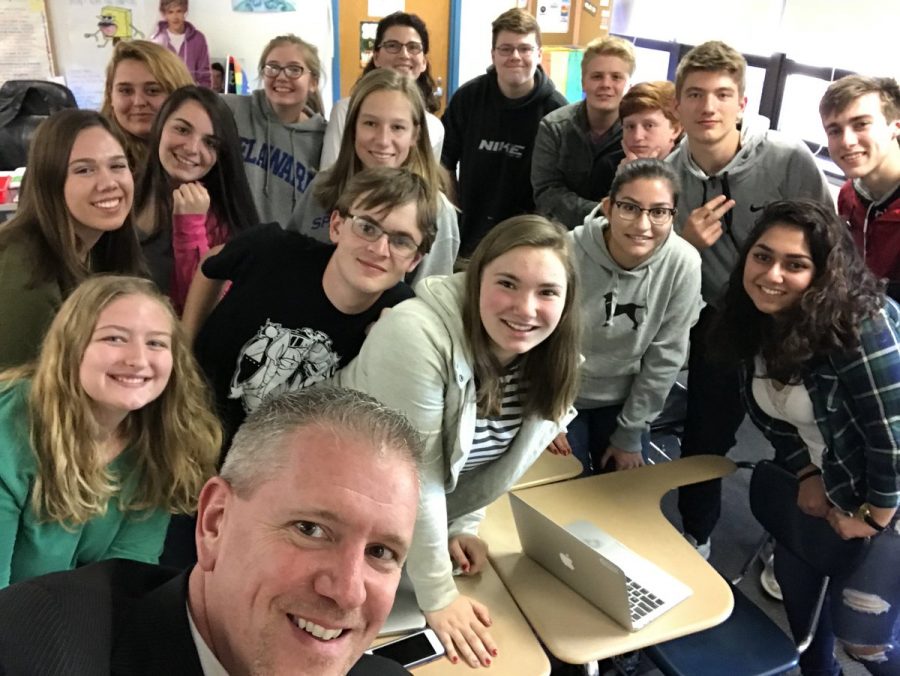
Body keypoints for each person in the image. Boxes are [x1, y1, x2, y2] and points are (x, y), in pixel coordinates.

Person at [0, 386, 420, 676]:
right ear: (215, 521)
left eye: (381, 552)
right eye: (311, 529)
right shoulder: (30, 646)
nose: (348, 591)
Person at [335, 215, 581, 666]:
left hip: (399, 522)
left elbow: (484, 460)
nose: (526, 309)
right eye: (507, 283)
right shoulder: (417, 333)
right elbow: (419, 473)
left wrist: (461, 525)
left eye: (547, 292)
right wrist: (440, 596)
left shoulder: (546, 360)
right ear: (476, 278)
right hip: (337, 500)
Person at [710, 199, 900, 675]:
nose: (772, 274)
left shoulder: (859, 323)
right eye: (762, 256)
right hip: (830, 485)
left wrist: (874, 517)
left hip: (888, 502)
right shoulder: (756, 319)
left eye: (795, 264)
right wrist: (806, 470)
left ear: (822, 273)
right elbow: (774, 419)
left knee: (866, 642)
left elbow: (894, 436)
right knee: (803, 615)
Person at [667, 41, 832, 558]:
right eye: (694, 94)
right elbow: (661, 265)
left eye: (721, 94)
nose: (707, 107)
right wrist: (684, 244)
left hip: (793, 320)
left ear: (742, 103)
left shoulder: (786, 158)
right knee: (704, 435)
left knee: (805, 438)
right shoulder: (667, 176)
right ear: (678, 105)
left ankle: (791, 551)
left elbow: (829, 244)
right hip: (722, 321)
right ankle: (698, 533)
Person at [0, 275, 220, 588]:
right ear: (72, 347)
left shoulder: (164, 441)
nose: (138, 359)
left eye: (156, 343)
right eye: (114, 339)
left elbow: (122, 582)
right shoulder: (9, 426)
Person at [188, 166, 432, 447]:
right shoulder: (272, 250)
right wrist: (184, 345)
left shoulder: (402, 319)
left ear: (414, 260)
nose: (379, 249)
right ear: (337, 226)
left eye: (401, 241)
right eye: (367, 227)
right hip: (191, 423)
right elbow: (212, 264)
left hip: (268, 465)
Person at [550, 160, 701, 474]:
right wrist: (549, 415)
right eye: (630, 208)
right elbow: (540, 339)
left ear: (673, 214)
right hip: (560, 394)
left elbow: (666, 356)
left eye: (659, 211)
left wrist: (631, 432)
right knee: (560, 487)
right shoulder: (566, 252)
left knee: (623, 490)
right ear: (607, 207)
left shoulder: (683, 263)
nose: (643, 225)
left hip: (626, 398)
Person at [0, 109, 145, 369]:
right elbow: (17, 393)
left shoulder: (100, 248)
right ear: (49, 181)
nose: (109, 182)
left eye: (117, 166)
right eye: (85, 170)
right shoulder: (24, 266)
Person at [290, 68, 458, 283]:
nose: (383, 140)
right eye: (370, 123)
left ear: (415, 135)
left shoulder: (436, 210)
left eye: (397, 127)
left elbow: (429, 301)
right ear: (353, 128)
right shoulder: (322, 187)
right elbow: (292, 261)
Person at [441, 8, 567, 255]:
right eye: (506, 49)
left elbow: (558, 190)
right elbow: (443, 160)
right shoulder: (468, 98)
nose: (515, 56)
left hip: (527, 244)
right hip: (468, 238)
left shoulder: (557, 113)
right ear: (493, 54)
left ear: (539, 54)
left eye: (525, 48)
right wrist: (453, 210)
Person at [133, 85, 259, 314]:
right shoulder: (124, 193)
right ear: (160, 126)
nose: (192, 148)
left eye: (210, 143)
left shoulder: (225, 221)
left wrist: (190, 226)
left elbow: (207, 314)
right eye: (182, 130)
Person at [532, 36, 635, 227]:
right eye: (597, 76)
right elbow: (546, 194)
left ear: (629, 85)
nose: (606, 84)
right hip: (560, 233)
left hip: (619, 236)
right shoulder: (554, 127)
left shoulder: (640, 134)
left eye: (616, 77)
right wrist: (602, 211)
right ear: (583, 82)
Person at [224, 34, 326, 227]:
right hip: (235, 247)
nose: (281, 76)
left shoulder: (324, 138)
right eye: (272, 67)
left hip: (289, 250)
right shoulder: (233, 110)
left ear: (313, 82)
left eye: (294, 69)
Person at [321, 11, 444, 170]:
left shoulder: (434, 127)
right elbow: (329, 180)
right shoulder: (345, 111)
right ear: (376, 57)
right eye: (392, 45)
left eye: (413, 47)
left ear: (424, 62)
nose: (404, 54)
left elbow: (427, 185)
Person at [819, 75, 900, 301]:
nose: (847, 141)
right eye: (834, 130)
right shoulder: (848, 195)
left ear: (895, 127)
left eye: (861, 124)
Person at [100, 39, 194, 169]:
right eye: (126, 91)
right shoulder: (95, 157)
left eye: (153, 91)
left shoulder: (204, 154)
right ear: (110, 96)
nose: (138, 102)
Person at [150, 0, 211, 88]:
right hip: (166, 97)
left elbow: (204, 77)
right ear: (164, 14)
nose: (175, 17)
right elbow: (152, 76)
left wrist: (202, 99)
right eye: (170, 12)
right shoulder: (156, 41)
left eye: (179, 11)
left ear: (185, 11)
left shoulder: (198, 39)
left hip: (190, 96)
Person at [620, 80, 683, 161]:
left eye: (649, 125)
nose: (637, 136)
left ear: (675, 130)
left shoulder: (694, 168)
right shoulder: (610, 166)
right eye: (630, 126)